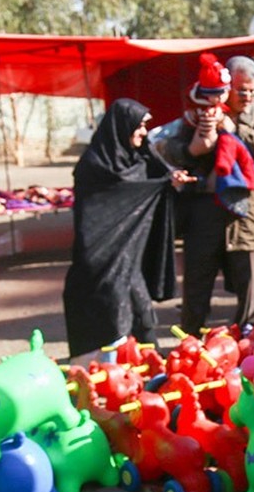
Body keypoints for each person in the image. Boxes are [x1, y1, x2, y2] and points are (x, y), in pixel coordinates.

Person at [155, 54, 254, 333]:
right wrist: (193, 150)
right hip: (203, 218)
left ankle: (248, 351)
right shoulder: (198, 115)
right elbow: (170, 150)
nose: (247, 96)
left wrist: (237, 131)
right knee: (196, 291)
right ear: (226, 87)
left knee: (251, 299)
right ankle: (190, 344)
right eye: (240, 90)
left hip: (247, 221)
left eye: (251, 90)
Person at [65, 98, 178, 360]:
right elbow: (108, 204)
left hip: (129, 257)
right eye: (139, 126)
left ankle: (154, 372)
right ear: (121, 126)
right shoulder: (94, 165)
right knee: (114, 313)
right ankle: (109, 375)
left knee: (142, 314)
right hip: (100, 258)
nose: (143, 132)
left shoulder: (138, 160)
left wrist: (168, 179)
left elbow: (154, 178)